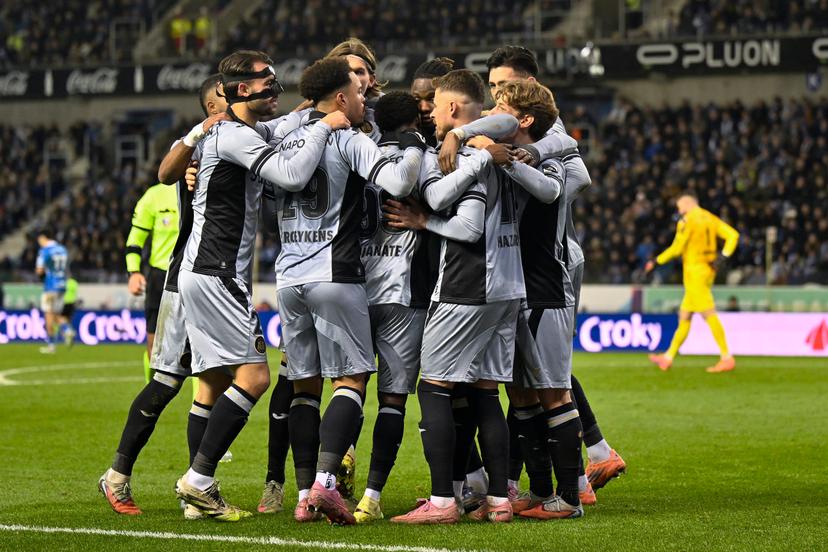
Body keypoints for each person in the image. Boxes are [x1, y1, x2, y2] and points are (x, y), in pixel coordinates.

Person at [173, 50, 350, 522]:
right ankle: (199, 481)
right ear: (243, 90)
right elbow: (290, 174)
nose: (277, 91)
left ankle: (197, 493)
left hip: (203, 270)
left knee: (214, 383)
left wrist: (308, 113)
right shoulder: (231, 136)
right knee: (254, 378)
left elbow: (281, 127)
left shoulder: (237, 131)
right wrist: (325, 126)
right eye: (268, 85)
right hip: (217, 273)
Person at [274, 57, 424, 525]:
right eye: (358, 94)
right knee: (352, 380)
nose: (365, 101)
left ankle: (301, 495)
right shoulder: (348, 137)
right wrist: (414, 145)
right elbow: (399, 181)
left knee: (304, 386)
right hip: (334, 273)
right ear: (341, 98)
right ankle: (324, 486)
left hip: (285, 277)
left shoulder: (284, 138)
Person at [391, 69, 521, 525]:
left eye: (435, 106)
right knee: (486, 391)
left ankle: (443, 501)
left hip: (468, 284)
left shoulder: (465, 151)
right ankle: (500, 501)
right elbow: (506, 122)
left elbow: (466, 226)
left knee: (433, 386)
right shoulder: (493, 142)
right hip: (509, 284)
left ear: (449, 108)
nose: (430, 115)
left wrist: (424, 222)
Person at [99, 74, 230, 520]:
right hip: (187, 279)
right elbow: (169, 172)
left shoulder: (239, 140)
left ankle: (199, 488)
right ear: (214, 105)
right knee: (172, 381)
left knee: (211, 382)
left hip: (220, 279)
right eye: (230, 96)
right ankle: (117, 476)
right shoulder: (195, 148)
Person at [646, 193, 740, 373]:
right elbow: (733, 236)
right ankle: (668, 357)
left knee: (708, 313)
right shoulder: (710, 218)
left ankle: (726, 357)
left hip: (695, 272)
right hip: (708, 270)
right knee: (685, 316)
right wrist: (724, 255)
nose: (679, 211)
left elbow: (677, 248)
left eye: (680, 207)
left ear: (688, 204)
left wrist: (656, 261)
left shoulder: (687, 221)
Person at [126, 180, 179, 383]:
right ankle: (150, 397)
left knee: (200, 351)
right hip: (160, 277)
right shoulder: (154, 195)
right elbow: (135, 238)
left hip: (195, 274)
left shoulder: (206, 188)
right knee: (154, 347)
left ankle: (200, 413)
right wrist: (133, 272)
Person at [35, 232, 69, 354]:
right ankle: (67, 329)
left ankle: (51, 346)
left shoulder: (44, 251)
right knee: (56, 314)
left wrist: (42, 274)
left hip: (50, 286)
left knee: (49, 315)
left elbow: (39, 270)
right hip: (62, 285)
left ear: (43, 237)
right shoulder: (63, 249)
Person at [60, 277, 78, 346]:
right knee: (68, 321)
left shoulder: (66, 283)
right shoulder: (75, 283)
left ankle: (68, 332)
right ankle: (68, 339)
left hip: (67, 302)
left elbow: (62, 290)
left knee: (61, 319)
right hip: (73, 303)